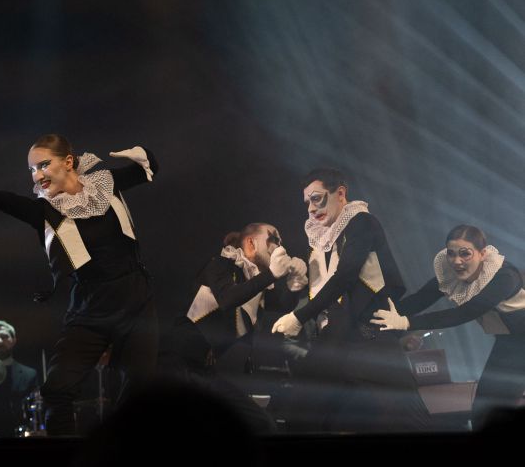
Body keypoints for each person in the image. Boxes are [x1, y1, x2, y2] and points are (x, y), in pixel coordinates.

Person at [0, 135, 158, 435]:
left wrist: (144, 153)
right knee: (56, 390)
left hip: (135, 300)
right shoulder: (44, 211)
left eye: (43, 165)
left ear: (68, 162)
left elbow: (148, 169)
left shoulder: (105, 184)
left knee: (140, 390)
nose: (37, 175)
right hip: (89, 308)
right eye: (31, 169)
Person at [270, 168, 428, 432]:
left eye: (316, 198)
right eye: (307, 202)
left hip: (368, 336)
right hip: (334, 339)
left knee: (409, 418)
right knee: (303, 414)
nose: (311, 208)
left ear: (340, 193)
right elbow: (313, 291)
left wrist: (299, 317)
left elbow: (346, 275)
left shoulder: (362, 222)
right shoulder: (319, 240)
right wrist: (294, 283)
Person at [371, 224, 525, 428]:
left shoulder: (504, 277)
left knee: (496, 403)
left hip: (520, 342)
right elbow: (419, 300)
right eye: (451, 254)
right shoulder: (452, 275)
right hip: (510, 341)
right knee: (484, 405)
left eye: (465, 254)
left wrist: (406, 322)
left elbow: (465, 313)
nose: (457, 261)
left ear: (482, 254)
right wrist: (376, 314)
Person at [178, 224, 306, 374]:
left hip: (226, 367)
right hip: (185, 362)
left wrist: (295, 284)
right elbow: (228, 298)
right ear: (251, 243)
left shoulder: (258, 281)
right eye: (273, 239)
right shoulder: (220, 264)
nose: (279, 247)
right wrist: (271, 273)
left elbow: (283, 305)